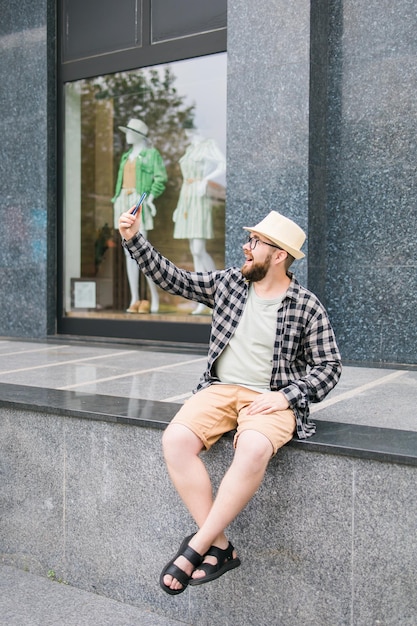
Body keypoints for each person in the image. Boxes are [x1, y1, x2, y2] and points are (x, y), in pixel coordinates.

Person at [118, 206, 342, 595]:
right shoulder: (230, 284)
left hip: (271, 398)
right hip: (220, 389)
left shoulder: (306, 305)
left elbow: (330, 366)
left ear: (279, 256)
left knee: (254, 447)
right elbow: (175, 280)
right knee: (174, 441)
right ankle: (217, 545)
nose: (246, 247)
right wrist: (134, 238)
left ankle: (197, 545)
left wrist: (286, 396)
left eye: (255, 242)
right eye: (250, 239)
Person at [113, 118, 167, 313]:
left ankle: (154, 298)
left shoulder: (151, 154)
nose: (126, 134)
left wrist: (150, 197)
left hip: (138, 201)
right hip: (123, 201)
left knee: (143, 252)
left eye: (129, 131)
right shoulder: (126, 156)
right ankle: (134, 298)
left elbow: (160, 178)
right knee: (128, 253)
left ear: (138, 134)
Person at [173, 129, 226, 314]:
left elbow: (222, 165)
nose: (187, 132)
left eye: (189, 129)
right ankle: (202, 298)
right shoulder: (189, 149)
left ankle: (217, 292)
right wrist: (179, 208)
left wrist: (205, 179)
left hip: (199, 197)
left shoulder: (207, 145)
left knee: (198, 249)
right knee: (194, 253)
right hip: (186, 197)